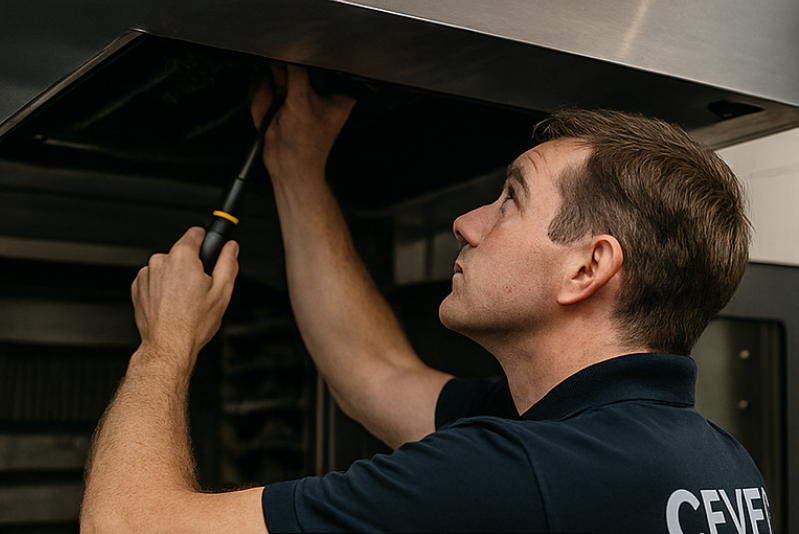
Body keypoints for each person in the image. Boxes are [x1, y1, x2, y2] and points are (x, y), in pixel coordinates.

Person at [80, 64, 774, 533]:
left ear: (586, 268)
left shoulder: (520, 473)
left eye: (508, 201)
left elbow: (124, 526)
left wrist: (164, 343)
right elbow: (372, 375)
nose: (466, 223)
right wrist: (296, 168)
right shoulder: (713, 460)